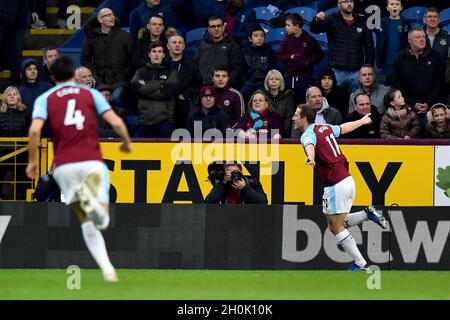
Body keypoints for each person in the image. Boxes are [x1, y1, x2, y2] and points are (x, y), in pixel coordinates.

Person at [26, 55, 133, 282]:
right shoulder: (91, 94)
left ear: (52, 76)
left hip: (64, 167)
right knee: (101, 218)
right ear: (74, 75)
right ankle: (101, 213)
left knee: (85, 220)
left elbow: (35, 131)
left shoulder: (45, 98)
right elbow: (115, 121)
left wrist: (33, 161)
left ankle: (107, 269)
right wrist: (125, 141)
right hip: (92, 162)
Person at [292, 103, 388, 271]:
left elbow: (310, 145)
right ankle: (367, 214)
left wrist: (311, 157)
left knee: (336, 227)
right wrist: (361, 121)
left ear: (304, 118)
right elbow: (342, 128)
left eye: (296, 115)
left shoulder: (307, 135)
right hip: (346, 179)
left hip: (336, 183)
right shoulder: (324, 127)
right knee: (336, 223)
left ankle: (361, 264)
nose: (293, 118)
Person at [310, 0, 375, 93]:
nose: (349, 4)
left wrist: (369, 67)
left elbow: (370, 48)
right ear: (339, 4)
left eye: (351, 1)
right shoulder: (331, 19)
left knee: (356, 101)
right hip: (337, 71)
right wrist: (317, 19)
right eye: (345, 1)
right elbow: (314, 29)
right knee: (337, 103)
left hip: (357, 72)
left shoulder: (362, 22)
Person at [391, 27, 445, 128]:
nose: (422, 39)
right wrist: (412, 103)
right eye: (418, 37)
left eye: (423, 37)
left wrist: (428, 103)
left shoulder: (436, 56)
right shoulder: (399, 58)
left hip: (432, 108)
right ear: (409, 40)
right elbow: (396, 85)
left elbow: (439, 82)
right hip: (408, 108)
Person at [81, 8, 134, 109]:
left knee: (115, 98)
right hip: (99, 79)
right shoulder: (91, 37)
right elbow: (85, 59)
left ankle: (119, 123)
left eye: (112, 14)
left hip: (120, 80)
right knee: (99, 101)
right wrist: (95, 75)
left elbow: (132, 58)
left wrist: (125, 74)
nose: (112, 17)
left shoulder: (125, 36)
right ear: (100, 19)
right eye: (108, 15)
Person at [130, 40, 178, 138]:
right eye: (154, 51)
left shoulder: (171, 72)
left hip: (164, 122)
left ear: (164, 55)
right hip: (144, 121)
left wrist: (145, 87)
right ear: (149, 54)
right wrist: (160, 84)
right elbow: (136, 90)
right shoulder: (140, 72)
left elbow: (166, 93)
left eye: (160, 52)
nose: (157, 54)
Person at [277, 13, 324, 104]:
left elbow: (319, 54)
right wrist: (290, 57)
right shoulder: (286, 40)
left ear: (296, 26)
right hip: (289, 78)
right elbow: (279, 56)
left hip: (305, 78)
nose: (286, 28)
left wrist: (308, 62)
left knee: (305, 104)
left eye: (288, 25)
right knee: (289, 104)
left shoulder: (309, 39)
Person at [192, 16, 243, 88]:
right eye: (213, 26)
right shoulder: (203, 44)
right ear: (209, 29)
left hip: (223, 87)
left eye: (219, 26)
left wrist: (227, 85)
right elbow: (195, 65)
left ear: (223, 28)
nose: (216, 29)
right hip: (202, 86)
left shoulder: (232, 45)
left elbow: (236, 69)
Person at [166, 34, 200, 130]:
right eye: (174, 42)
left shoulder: (191, 65)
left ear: (184, 46)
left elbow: (198, 84)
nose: (177, 45)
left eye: (180, 42)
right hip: (163, 109)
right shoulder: (162, 65)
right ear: (168, 46)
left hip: (183, 109)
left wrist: (185, 94)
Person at [241, 25, 277, 103]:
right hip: (249, 82)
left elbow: (273, 69)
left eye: (262, 36)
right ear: (250, 39)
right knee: (243, 93)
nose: (259, 38)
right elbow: (242, 69)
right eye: (256, 36)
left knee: (261, 95)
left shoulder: (269, 51)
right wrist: (245, 80)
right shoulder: (245, 52)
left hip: (264, 83)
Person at [375, 0, 408, 85]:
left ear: (401, 8)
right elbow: (378, 42)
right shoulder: (382, 22)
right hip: (386, 64)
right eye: (392, 4)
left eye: (397, 4)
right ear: (387, 8)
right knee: (387, 90)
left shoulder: (405, 22)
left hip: (401, 63)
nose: (394, 6)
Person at [262, 69, 295, 137]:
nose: (274, 81)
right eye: (271, 79)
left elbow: (289, 119)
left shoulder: (288, 97)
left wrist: (281, 133)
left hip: (282, 134)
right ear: (267, 82)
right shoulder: (262, 96)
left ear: (281, 82)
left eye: (277, 79)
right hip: (264, 133)